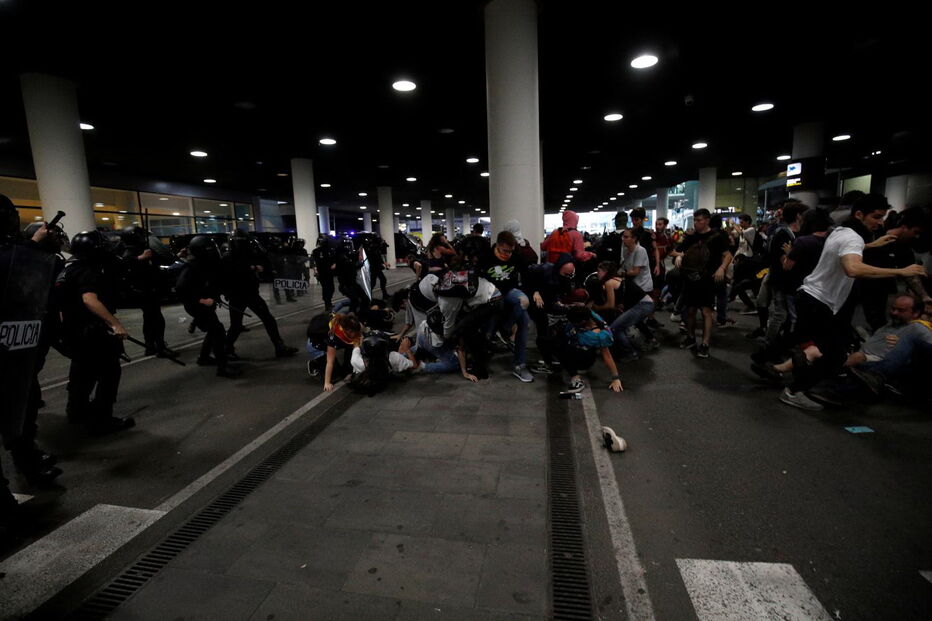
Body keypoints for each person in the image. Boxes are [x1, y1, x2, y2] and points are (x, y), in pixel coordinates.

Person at [778, 194, 927, 411]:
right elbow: (853, 268)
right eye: (876, 217)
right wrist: (900, 271)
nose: (880, 222)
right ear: (859, 214)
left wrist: (871, 245)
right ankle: (794, 388)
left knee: (823, 346)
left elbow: (846, 251)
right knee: (833, 353)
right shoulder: (852, 238)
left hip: (815, 298)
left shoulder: (841, 232)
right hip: (818, 301)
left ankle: (792, 373)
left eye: (882, 217)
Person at [58, 230, 137, 433]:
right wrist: (115, 324)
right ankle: (103, 419)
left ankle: (76, 411)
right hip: (93, 332)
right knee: (109, 373)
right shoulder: (88, 270)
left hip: (74, 331)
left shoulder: (68, 269)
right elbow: (89, 300)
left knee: (81, 373)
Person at [222, 231, 298, 359]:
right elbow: (230, 274)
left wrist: (261, 268)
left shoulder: (245, 254)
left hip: (249, 293)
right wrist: (254, 269)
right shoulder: (229, 257)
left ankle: (279, 347)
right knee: (237, 325)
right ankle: (227, 349)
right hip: (239, 295)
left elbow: (263, 264)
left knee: (266, 320)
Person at [668, 208, 732, 358]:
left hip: (708, 280)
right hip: (691, 279)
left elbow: (728, 255)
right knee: (690, 311)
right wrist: (679, 256)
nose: (696, 223)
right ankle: (691, 338)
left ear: (707, 220)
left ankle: (705, 344)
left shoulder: (717, 237)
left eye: (699, 220)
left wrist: (722, 268)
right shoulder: (691, 237)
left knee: (706, 312)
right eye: (695, 220)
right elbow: (673, 251)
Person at [176, 235, 241, 378]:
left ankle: (204, 358)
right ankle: (222, 368)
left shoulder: (206, 263)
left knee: (213, 330)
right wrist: (202, 300)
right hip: (197, 305)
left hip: (205, 304)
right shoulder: (192, 266)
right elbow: (181, 289)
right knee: (218, 331)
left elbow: (214, 282)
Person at [478, 230, 533, 382]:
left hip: (509, 291)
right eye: (505, 251)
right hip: (491, 294)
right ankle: (482, 359)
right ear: (497, 245)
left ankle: (519, 364)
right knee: (489, 328)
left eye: (510, 251)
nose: (508, 254)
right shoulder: (486, 257)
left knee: (524, 310)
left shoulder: (516, 256)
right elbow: (477, 279)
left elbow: (527, 276)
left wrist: (532, 292)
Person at [119, 226, 170, 356]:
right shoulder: (130, 251)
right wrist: (140, 258)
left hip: (149, 289)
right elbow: (124, 265)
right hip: (143, 291)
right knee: (156, 319)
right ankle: (159, 347)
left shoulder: (142, 249)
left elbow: (161, 259)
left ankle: (151, 346)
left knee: (149, 319)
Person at [557, 306, 624, 394]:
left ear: (582, 322)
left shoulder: (598, 335)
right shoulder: (587, 313)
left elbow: (607, 355)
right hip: (575, 343)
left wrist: (615, 378)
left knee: (561, 346)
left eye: (573, 322)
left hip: (584, 357)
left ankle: (575, 377)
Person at [323, 314, 362, 391]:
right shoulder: (334, 336)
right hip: (317, 343)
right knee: (335, 375)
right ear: (349, 330)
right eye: (355, 333)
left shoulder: (350, 323)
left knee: (352, 347)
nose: (357, 334)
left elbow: (360, 335)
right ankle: (315, 363)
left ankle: (347, 367)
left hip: (339, 339)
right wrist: (327, 382)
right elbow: (330, 362)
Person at [311, 234, 338, 312]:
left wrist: (334, 264)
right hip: (321, 273)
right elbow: (313, 261)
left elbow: (334, 259)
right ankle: (327, 304)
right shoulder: (316, 251)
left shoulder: (330, 250)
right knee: (326, 288)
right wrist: (315, 270)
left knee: (331, 288)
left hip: (329, 272)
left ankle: (329, 302)